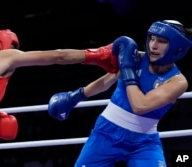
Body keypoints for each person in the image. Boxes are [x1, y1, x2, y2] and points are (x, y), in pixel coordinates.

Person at [0, 29, 120, 167]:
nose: (16, 52)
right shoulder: (0, 57)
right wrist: (98, 54)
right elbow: (58, 56)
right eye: (13, 47)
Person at [48, 20, 192, 167]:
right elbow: (106, 81)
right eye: (152, 39)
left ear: (176, 47)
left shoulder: (177, 82)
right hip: (106, 133)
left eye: (161, 41)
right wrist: (75, 97)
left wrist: (128, 71)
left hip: (144, 143)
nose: (153, 45)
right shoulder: (136, 58)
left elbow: (140, 105)